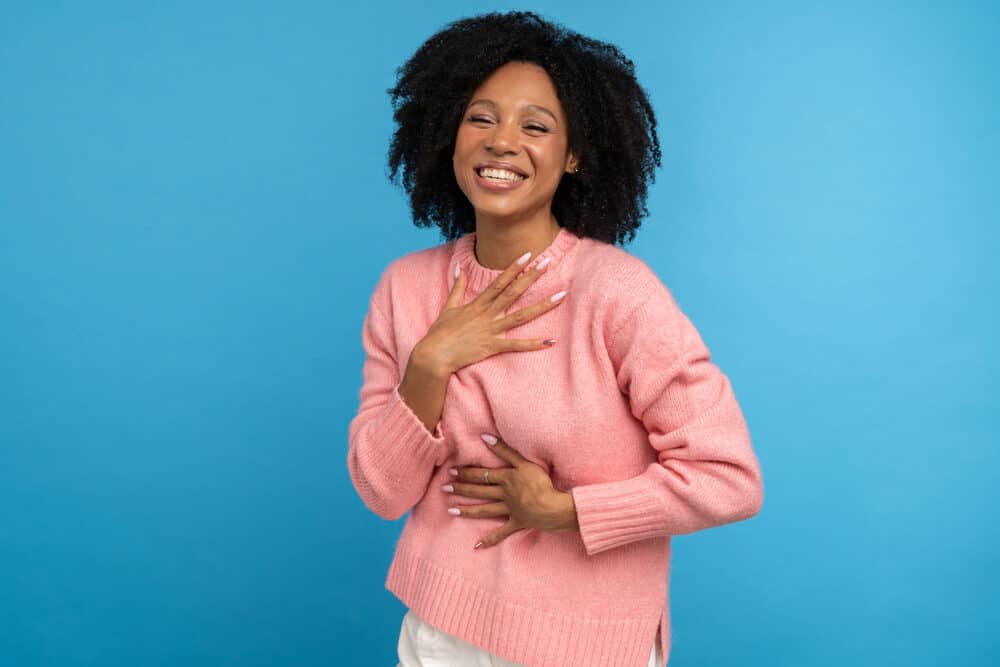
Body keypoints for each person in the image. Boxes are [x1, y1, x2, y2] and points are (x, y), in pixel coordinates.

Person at [347, 10, 764, 667]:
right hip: (440, 630)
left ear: (573, 156)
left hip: (586, 644)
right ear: (449, 134)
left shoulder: (616, 293)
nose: (501, 141)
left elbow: (729, 477)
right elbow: (381, 492)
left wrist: (566, 510)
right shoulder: (406, 289)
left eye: (534, 126)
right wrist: (431, 361)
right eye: (481, 118)